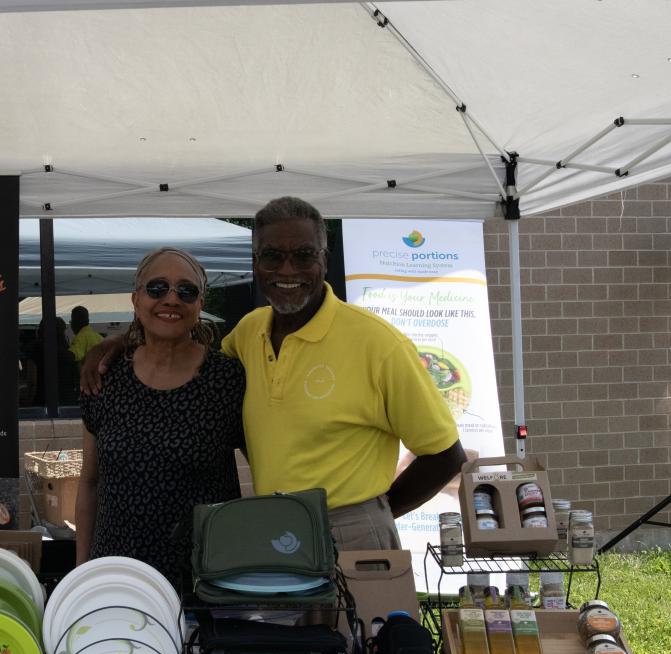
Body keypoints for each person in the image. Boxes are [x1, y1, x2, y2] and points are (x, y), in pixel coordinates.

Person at [84, 197, 466, 551]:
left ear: (324, 260)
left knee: (359, 629)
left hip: (348, 532)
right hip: (276, 533)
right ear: (256, 263)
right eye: (272, 257)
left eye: (303, 256)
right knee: (275, 628)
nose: (287, 271)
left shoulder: (378, 343)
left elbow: (446, 457)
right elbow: (178, 349)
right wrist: (121, 343)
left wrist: (375, 514)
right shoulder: (249, 334)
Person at [75, 247, 245, 580]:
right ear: (136, 299)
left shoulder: (229, 379)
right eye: (157, 288)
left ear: (200, 304)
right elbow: (90, 482)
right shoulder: (105, 377)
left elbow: (265, 468)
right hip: (117, 574)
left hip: (202, 580)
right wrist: (81, 572)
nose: (171, 299)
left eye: (186, 291)